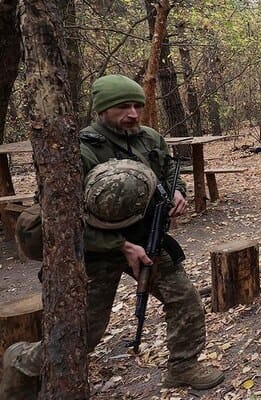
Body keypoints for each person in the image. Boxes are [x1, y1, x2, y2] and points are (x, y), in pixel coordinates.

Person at [0, 74, 224, 399]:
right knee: (84, 333)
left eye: (137, 106)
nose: (133, 113)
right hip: (97, 250)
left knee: (186, 302)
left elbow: (169, 174)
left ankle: (183, 366)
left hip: (148, 240)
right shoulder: (80, 150)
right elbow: (60, 220)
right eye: (123, 106)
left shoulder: (149, 138)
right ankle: (22, 361)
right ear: (102, 109)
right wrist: (119, 245)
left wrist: (177, 192)